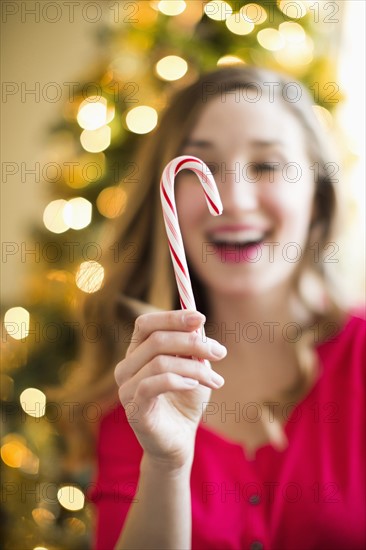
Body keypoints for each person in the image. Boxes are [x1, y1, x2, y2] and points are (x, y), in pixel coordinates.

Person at [63, 66, 365, 549]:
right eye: (199, 167)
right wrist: (166, 465)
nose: (232, 200)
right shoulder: (140, 390)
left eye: (267, 166)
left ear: (319, 197)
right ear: (167, 202)